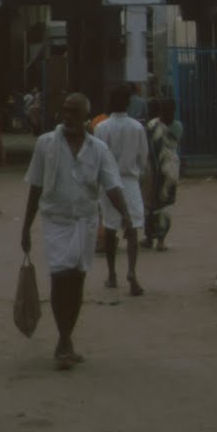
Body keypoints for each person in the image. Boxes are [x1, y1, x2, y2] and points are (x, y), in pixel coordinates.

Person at [21, 91, 134, 371]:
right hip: (56, 222)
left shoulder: (98, 149)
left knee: (78, 281)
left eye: (75, 111)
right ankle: (63, 339)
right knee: (61, 278)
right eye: (65, 110)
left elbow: (112, 186)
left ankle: (66, 337)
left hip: (85, 222)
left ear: (86, 116)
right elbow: (35, 188)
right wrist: (25, 227)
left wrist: (128, 218)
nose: (69, 116)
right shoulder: (45, 144)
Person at [94, 84, 147, 296]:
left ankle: (112, 274)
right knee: (132, 229)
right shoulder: (137, 127)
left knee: (110, 228)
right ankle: (132, 271)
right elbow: (143, 159)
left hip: (109, 184)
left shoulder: (102, 127)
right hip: (131, 182)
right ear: (128, 103)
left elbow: (97, 159)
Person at [142, 97, 182, 251]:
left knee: (162, 206)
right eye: (165, 110)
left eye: (170, 110)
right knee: (152, 205)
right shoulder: (154, 125)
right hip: (155, 169)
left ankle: (159, 240)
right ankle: (150, 239)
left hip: (168, 169)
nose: (168, 113)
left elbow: (171, 144)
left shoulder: (174, 126)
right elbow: (149, 147)